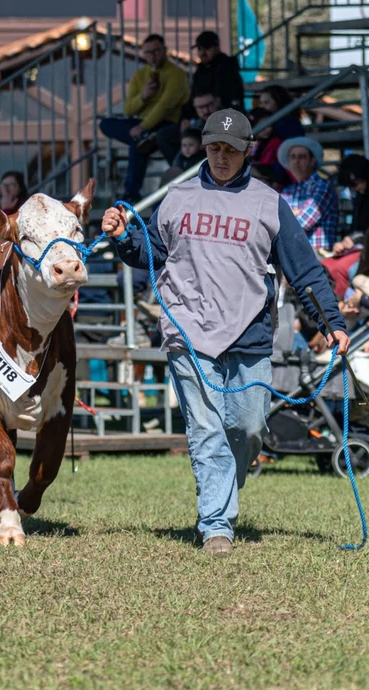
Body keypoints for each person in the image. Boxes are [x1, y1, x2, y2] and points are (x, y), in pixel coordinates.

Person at [102, 109, 349, 557]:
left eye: (230, 150)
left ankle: (219, 500)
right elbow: (150, 254)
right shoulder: (177, 197)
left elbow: (306, 269)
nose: (220, 156)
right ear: (204, 145)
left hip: (249, 333)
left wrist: (332, 322)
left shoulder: (268, 202)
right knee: (205, 427)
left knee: (249, 428)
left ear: (247, 151)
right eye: (214, 147)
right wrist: (123, 238)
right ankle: (216, 525)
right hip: (188, 331)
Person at [100, 34, 190, 198]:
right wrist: (144, 96)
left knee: (138, 143)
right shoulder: (140, 75)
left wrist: (143, 127)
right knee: (106, 123)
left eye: (156, 51)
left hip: (165, 123)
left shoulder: (177, 74)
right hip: (140, 124)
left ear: (164, 51)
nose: (153, 56)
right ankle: (145, 137)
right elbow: (128, 109)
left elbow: (165, 106)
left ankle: (131, 193)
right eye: (148, 52)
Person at [279, 137, 338, 254]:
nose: (296, 161)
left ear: (312, 161)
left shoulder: (322, 187)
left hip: (317, 254)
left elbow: (303, 222)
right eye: (293, 157)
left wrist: (288, 215)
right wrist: (293, 214)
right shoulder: (288, 190)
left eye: (302, 157)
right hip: (294, 254)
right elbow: (274, 220)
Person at [188, 31, 245, 112]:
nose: (202, 53)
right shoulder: (200, 70)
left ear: (217, 47)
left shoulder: (227, 67)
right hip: (203, 115)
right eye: (199, 49)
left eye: (206, 48)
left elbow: (224, 98)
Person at [338, 154, 369, 235]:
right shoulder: (359, 198)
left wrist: (354, 239)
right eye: (350, 185)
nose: (355, 188)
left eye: (356, 182)